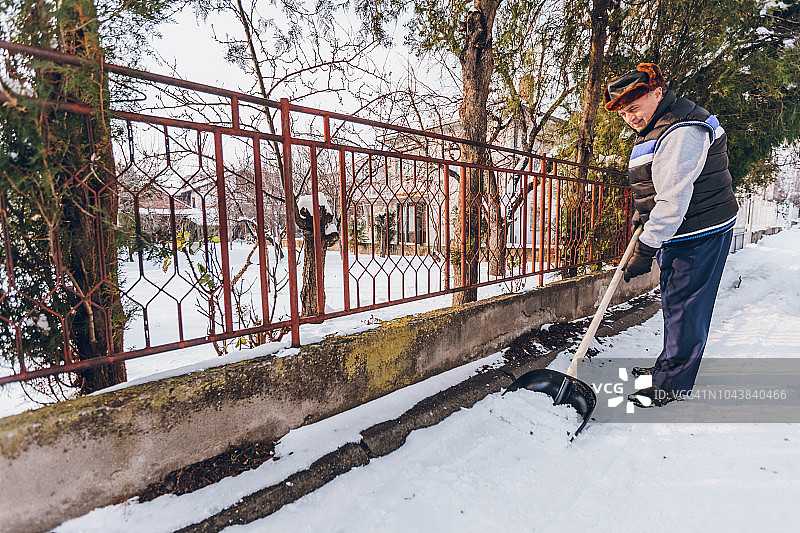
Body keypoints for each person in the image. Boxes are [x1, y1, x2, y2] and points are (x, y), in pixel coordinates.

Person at [603, 63, 738, 408]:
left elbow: (673, 199)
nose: (630, 117)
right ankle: (668, 368)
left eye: (634, 107)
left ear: (658, 93)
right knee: (676, 302)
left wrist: (647, 247)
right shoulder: (658, 123)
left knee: (686, 306)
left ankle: (671, 384)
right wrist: (642, 216)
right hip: (685, 225)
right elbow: (656, 185)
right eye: (623, 112)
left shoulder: (681, 130)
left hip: (698, 229)